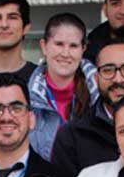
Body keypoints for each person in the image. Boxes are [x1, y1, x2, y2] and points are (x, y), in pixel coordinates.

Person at [28, 13, 99, 160]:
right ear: (44, 46)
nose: (65, 53)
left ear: (83, 49)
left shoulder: (100, 96)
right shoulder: (26, 97)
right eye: (59, 44)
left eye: (73, 46)